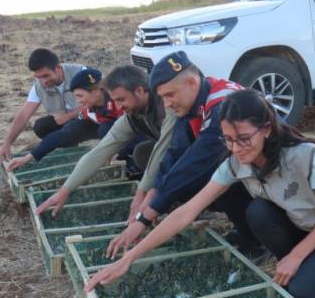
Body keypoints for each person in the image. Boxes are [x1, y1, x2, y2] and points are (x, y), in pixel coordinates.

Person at [85, 89, 315, 298]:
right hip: (307, 223)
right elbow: (186, 212)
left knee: (300, 293)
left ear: (266, 129)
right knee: (258, 213)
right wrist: (127, 259)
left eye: (244, 139)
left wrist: (296, 256)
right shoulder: (235, 163)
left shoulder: (303, 156)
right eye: (228, 140)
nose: (236, 149)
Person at [104, 51, 258, 257]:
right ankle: (245, 230)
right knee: (183, 185)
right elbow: (175, 152)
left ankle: (255, 241)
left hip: (273, 179)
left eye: (170, 95)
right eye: (162, 97)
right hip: (246, 171)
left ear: (192, 82)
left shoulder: (223, 105)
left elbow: (193, 164)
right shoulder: (197, 100)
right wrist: (152, 193)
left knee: (219, 182)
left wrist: (145, 217)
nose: (166, 104)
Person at [35, 64, 175, 219]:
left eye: (122, 99)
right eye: (116, 100)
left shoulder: (166, 105)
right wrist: (65, 191)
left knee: (153, 157)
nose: (119, 106)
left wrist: (141, 194)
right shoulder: (132, 116)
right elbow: (99, 152)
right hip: (172, 152)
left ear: (140, 91)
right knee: (142, 153)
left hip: (195, 153)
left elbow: (163, 149)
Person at [5, 67, 130, 171]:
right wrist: (28, 158)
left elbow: (138, 128)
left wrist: (120, 152)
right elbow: (62, 134)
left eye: (80, 96)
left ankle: (127, 161)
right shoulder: (89, 110)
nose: (78, 101)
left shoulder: (120, 101)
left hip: (137, 138)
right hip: (112, 133)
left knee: (107, 129)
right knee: (73, 128)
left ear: (96, 91)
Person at [0, 48, 86, 166]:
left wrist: (68, 116)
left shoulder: (82, 73)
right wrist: (7, 144)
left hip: (90, 120)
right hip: (67, 124)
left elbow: (100, 102)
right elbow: (23, 115)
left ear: (57, 68)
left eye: (46, 76)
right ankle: (70, 151)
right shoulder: (39, 86)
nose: (43, 81)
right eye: (39, 77)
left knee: (75, 126)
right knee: (41, 126)